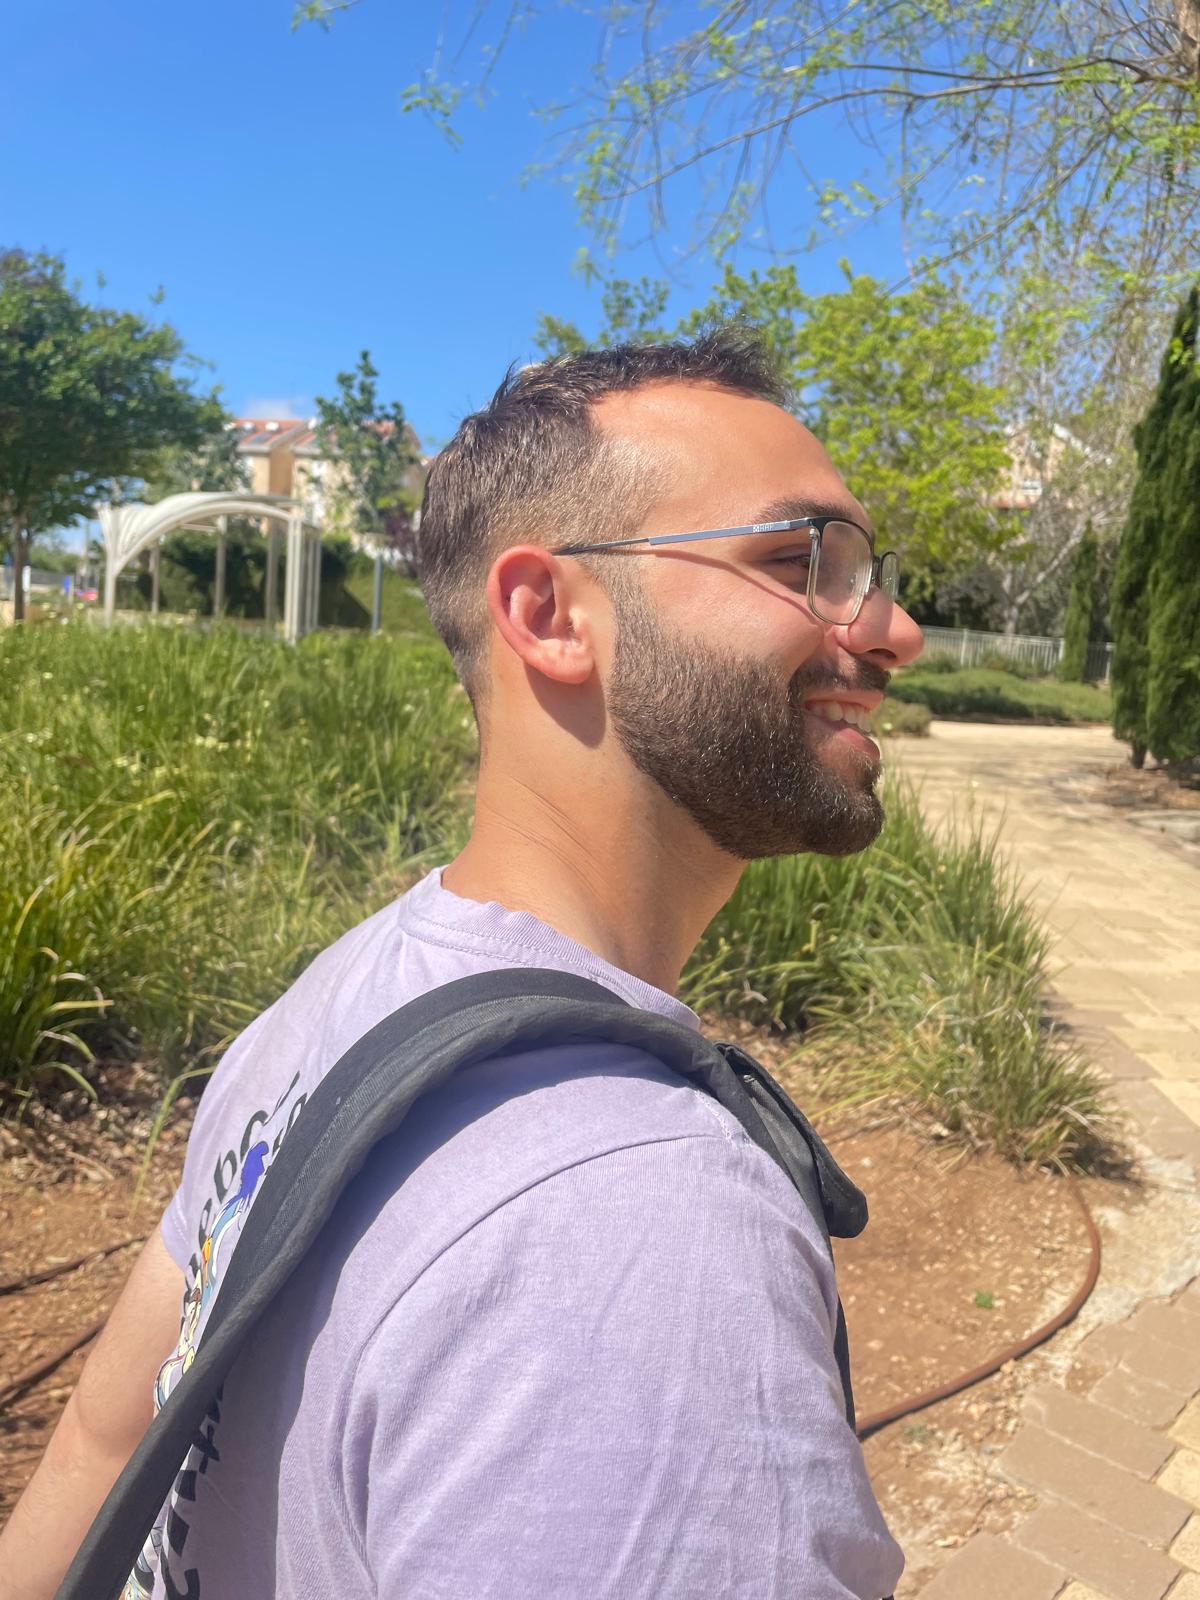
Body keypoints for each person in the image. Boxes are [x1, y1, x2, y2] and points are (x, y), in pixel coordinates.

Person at [0, 329, 923, 1599]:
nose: (895, 630)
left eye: (867, 572)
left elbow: (107, 1444)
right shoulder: (643, 1225)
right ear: (547, 614)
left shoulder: (341, 995)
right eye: (800, 559)